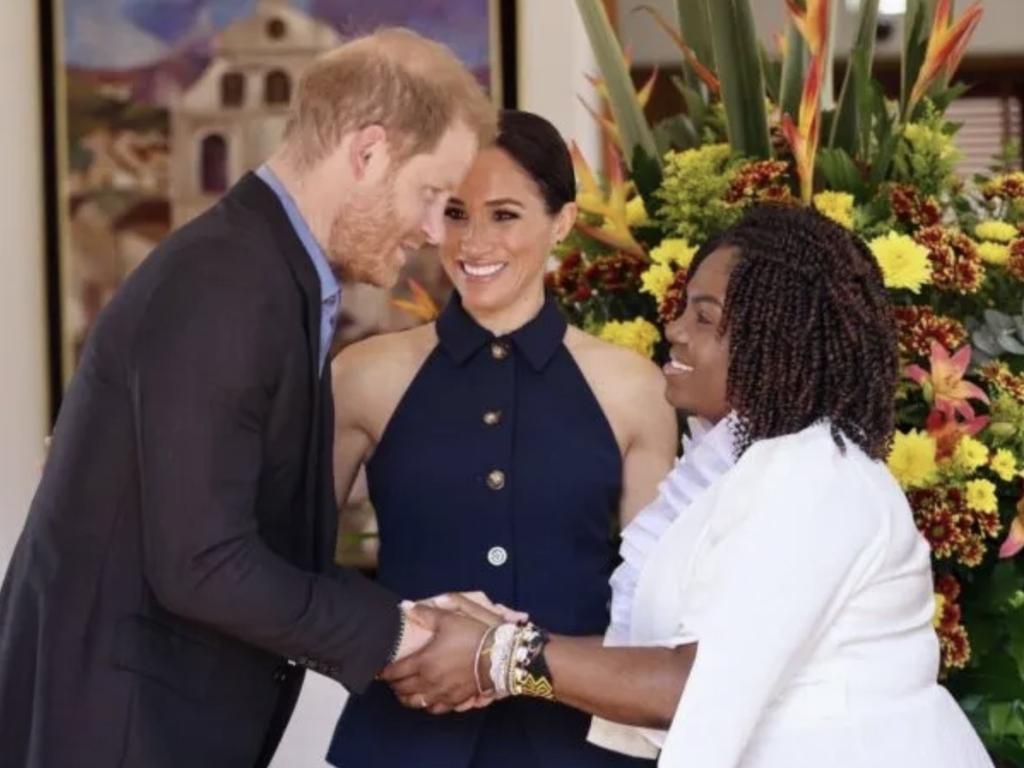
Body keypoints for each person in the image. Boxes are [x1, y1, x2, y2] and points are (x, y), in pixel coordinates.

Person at [0, 28, 495, 768]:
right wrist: (399, 636)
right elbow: (203, 562)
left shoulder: (264, 271)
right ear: (367, 154)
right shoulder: (228, 284)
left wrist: (408, 617)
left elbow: (243, 537)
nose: (432, 233)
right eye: (431, 195)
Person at [383, 204, 996, 768]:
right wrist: (491, 643)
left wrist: (499, 655)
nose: (674, 330)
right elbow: (659, 656)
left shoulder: (814, 478)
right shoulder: (746, 466)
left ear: (774, 339)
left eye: (705, 317)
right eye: (682, 309)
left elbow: (693, 685)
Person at [326, 109, 677, 767]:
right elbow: (291, 568)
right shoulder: (362, 375)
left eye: (505, 215)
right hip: (402, 739)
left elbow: (652, 617)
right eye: (456, 213)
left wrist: (511, 662)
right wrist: (396, 643)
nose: (473, 242)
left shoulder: (634, 389)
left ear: (563, 222)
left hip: (577, 747)